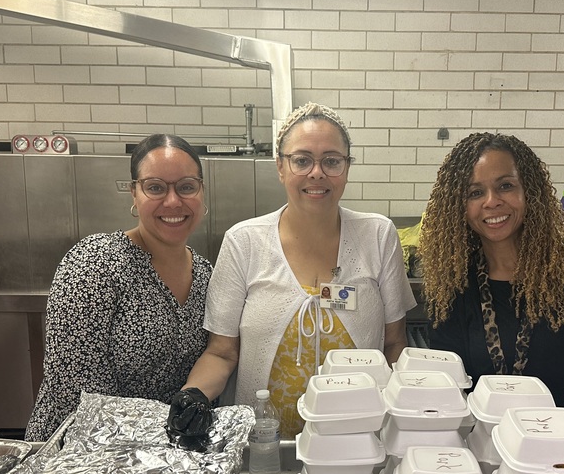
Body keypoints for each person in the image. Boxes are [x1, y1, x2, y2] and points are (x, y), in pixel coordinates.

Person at [174, 102, 417, 438]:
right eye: (302, 160)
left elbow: (395, 344)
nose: (317, 173)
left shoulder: (377, 236)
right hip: (265, 445)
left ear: (346, 167)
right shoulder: (244, 242)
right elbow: (221, 352)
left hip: (358, 439)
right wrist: (194, 394)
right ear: (280, 167)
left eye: (332, 161)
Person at [418, 132, 564, 408]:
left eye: (505, 186)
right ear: (459, 207)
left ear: (530, 191)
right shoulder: (453, 284)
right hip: (491, 443)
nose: (491, 201)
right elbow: (448, 390)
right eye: (475, 193)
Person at [24, 133, 212, 441]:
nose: (173, 201)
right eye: (155, 188)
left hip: (159, 462)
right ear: (134, 194)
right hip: (77, 458)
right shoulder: (95, 264)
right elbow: (77, 391)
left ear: (202, 192)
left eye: (187, 187)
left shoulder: (206, 276)